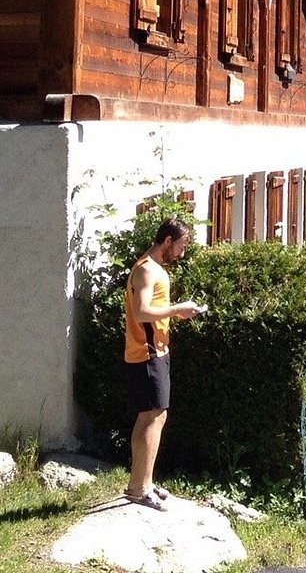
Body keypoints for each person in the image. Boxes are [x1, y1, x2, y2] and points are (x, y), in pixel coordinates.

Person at [123, 218, 202, 511]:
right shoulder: (146, 270)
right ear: (168, 241)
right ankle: (138, 488)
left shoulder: (154, 268)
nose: (182, 253)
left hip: (157, 351)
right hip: (146, 353)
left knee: (157, 416)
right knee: (150, 417)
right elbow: (141, 312)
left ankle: (143, 482)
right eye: (181, 246)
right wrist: (178, 309)